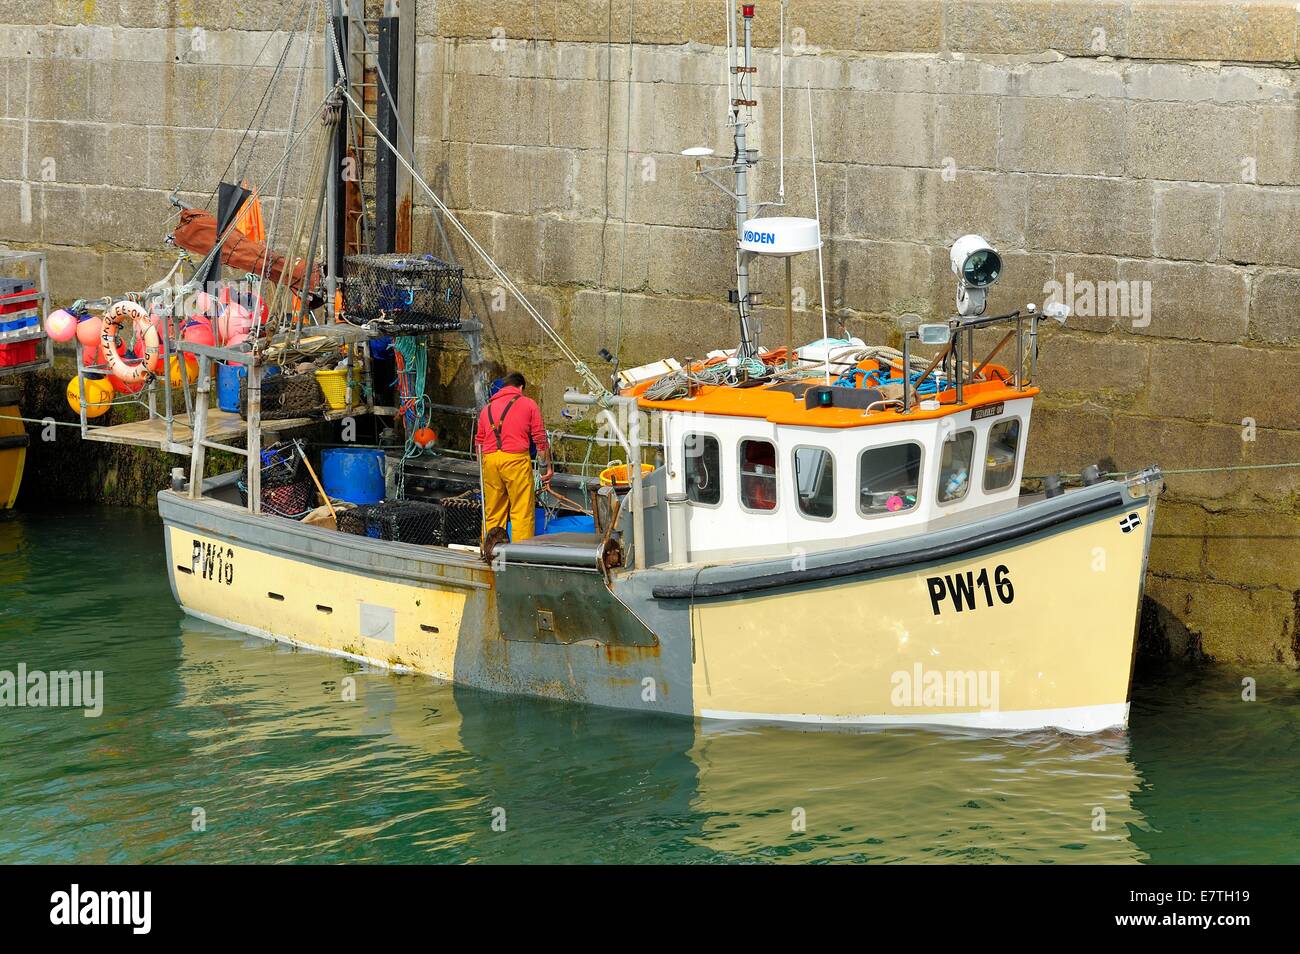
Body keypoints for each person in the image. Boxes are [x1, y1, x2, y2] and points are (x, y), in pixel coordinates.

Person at [474, 371, 552, 542]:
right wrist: (545, 468)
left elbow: (479, 441)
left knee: (493, 511)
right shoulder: (529, 404)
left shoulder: (486, 409)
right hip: (515, 459)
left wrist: (483, 468)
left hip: (490, 461)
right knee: (521, 510)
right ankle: (520, 556)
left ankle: (489, 551)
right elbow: (539, 438)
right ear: (521, 387)